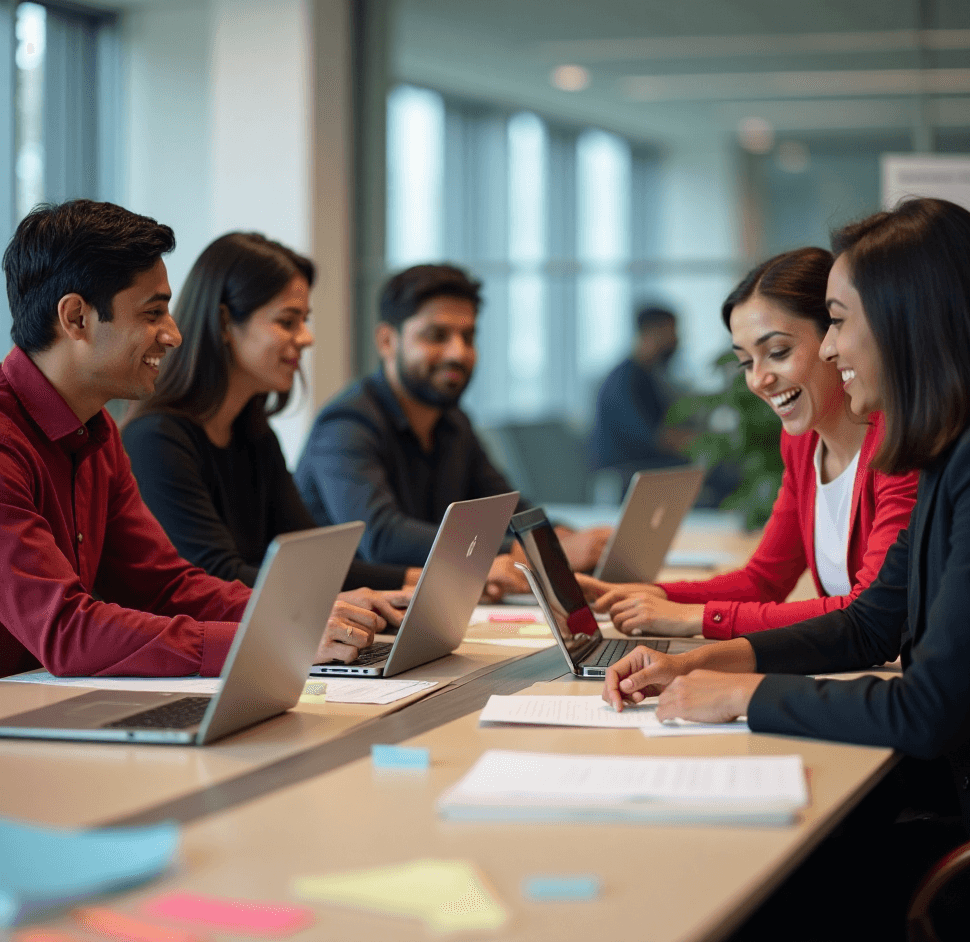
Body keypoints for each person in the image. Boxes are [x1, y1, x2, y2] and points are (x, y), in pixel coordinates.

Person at [603, 200, 970, 940]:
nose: (829, 350)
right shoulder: (955, 448)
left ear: (907, 321)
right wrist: (702, 663)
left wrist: (742, 694)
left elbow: (927, 710)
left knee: (760, 895)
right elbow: (871, 622)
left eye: (837, 320)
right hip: (965, 796)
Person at [0, 201, 385, 680]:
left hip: (47, 704)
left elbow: (167, 586)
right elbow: (67, 631)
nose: (174, 334)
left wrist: (289, 621)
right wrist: (266, 639)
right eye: (153, 313)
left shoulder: (99, 435)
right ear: (76, 317)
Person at [579, 248, 918, 640]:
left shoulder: (897, 441)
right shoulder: (802, 445)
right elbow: (764, 580)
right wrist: (648, 595)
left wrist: (697, 619)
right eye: (746, 362)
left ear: (836, 337)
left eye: (777, 352)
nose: (758, 380)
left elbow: (867, 610)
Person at [121, 232, 411, 629]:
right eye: (287, 322)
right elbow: (214, 576)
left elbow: (311, 557)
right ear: (225, 322)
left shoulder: (255, 435)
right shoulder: (156, 439)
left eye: (304, 321)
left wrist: (411, 581)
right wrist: (338, 599)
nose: (306, 338)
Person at [295, 263, 609, 593]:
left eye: (468, 336)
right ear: (387, 341)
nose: (458, 352)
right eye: (437, 336)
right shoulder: (345, 424)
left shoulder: (453, 421)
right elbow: (381, 536)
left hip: (433, 607)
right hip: (348, 623)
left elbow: (506, 507)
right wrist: (531, 553)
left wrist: (562, 537)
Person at [589, 305, 691, 482]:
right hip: (627, 473)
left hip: (647, 467)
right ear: (652, 332)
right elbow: (659, 438)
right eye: (671, 332)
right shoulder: (625, 381)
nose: (676, 340)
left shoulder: (647, 376)